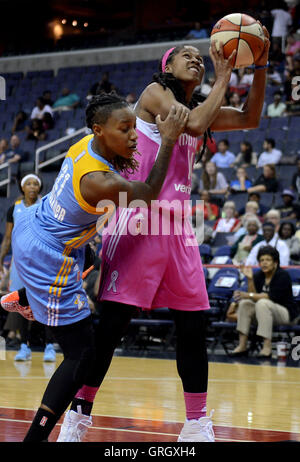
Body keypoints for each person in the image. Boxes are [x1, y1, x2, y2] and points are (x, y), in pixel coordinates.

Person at [9, 31, 270, 442]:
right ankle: (78, 417)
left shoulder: (196, 106)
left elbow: (251, 118)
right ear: (166, 67)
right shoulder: (153, 94)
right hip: (137, 223)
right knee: (110, 329)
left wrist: (260, 64)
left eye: (200, 56)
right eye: (186, 55)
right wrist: (224, 72)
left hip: (178, 230)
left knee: (192, 325)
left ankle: (197, 424)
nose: (196, 58)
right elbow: (196, 123)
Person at [1, 93, 188, 442]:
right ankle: (35, 439)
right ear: (100, 130)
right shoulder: (101, 182)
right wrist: (169, 141)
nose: (134, 135)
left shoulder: (88, 142)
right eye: (125, 128)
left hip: (38, 223)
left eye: (134, 126)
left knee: (90, 254)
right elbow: (147, 193)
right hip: (48, 254)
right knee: (82, 355)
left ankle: (26, 296)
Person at [0, 174, 56, 362]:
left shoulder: (47, 205)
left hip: (43, 260)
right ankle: (24, 346)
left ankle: (49, 346)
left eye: (35, 184)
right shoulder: (13, 209)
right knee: (23, 304)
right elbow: (7, 238)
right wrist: (0, 259)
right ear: (22, 188)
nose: (32, 187)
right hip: (20, 262)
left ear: (39, 188)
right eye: (28, 184)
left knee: (47, 304)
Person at [230, 246, 297, 358]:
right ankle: (242, 345)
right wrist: (250, 279)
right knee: (245, 304)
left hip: (285, 314)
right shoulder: (259, 275)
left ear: (275, 262)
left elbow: (268, 297)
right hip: (264, 313)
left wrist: (248, 295)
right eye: (262, 260)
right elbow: (253, 297)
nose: (264, 263)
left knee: (262, 302)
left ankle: (267, 347)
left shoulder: (282, 275)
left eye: (268, 260)